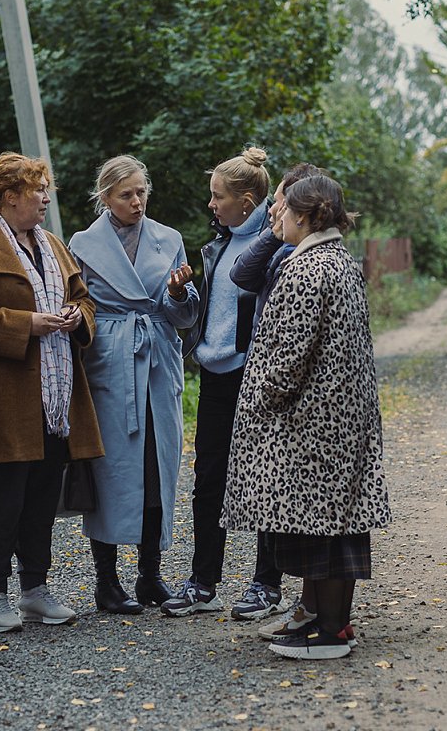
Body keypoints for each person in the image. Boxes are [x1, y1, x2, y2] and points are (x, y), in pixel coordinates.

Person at [220, 174, 390, 661]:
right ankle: (325, 622)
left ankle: (331, 631)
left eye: (285, 210)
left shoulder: (306, 269)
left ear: (307, 215)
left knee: (325, 532)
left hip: (311, 423)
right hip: (338, 420)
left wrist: (260, 402)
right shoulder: (338, 261)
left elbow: (288, 357)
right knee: (336, 524)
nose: (279, 217)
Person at [0, 152, 104, 633]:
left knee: (42, 494)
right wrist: (24, 324)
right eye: (39, 191)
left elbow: (83, 296)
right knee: (2, 497)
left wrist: (78, 317)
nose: (46, 198)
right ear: (11, 197)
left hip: (56, 394)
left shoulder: (53, 244)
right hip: (2, 397)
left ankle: (35, 589)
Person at [67, 155, 199, 614]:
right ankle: (106, 580)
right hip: (110, 363)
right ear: (105, 197)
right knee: (111, 470)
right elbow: (78, 307)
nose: (137, 201)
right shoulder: (82, 243)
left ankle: (150, 575)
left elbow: (182, 317)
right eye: (126, 194)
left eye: (142, 191)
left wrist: (180, 292)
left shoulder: (170, 239)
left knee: (156, 465)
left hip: (157, 362)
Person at [167, 147, 281, 620]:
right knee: (208, 482)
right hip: (213, 376)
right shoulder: (216, 245)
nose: (211, 205)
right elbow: (206, 314)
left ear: (248, 202)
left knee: (263, 480)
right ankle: (202, 581)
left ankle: (266, 585)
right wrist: (182, 294)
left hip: (253, 377)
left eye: (218, 197)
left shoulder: (278, 244)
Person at [226, 162, 328, 638]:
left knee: (292, 495)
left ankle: (296, 596)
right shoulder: (284, 246)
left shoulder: (309, 259)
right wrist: (273, 230)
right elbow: (241, 273)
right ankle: (287, 593)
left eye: (285, 201)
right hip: (268, 376)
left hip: (289, 392)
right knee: (274, 489)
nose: (276, 207)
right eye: (277, 200)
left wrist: (266, 393)